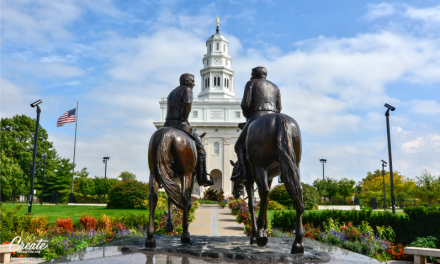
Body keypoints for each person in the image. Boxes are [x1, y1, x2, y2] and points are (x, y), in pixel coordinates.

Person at [230, 67, 282, 182]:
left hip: (257, 116)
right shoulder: (275, 87)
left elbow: (245, 104)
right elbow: (279, 108)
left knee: (238, 145)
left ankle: (242, 172)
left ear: (254, 74)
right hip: (274, 117)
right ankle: (283, 172)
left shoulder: (251, 83)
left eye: (251, 74)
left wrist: (249, 117)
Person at [163, 73, 214, 186]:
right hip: (179, 124)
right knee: (201, 151)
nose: (194, 84)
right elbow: (187, 104)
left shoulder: (172, 93)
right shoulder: (187, 90)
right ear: (186, 81)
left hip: (167, 125)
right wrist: (183, 120)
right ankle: (202, 179)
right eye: (192, 81)